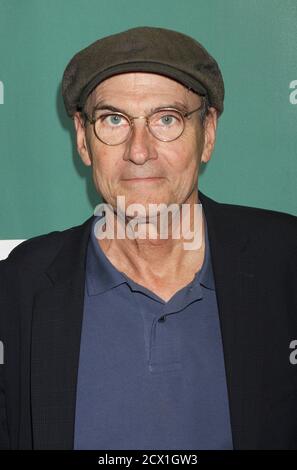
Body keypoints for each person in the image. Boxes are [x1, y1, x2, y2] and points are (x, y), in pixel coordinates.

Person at [0, 26, 296, 450]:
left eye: (167, 119)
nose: (140, 150)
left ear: (208, 133)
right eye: (114, 119)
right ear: (83, 139)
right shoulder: (18, 288)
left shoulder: (286, 265)